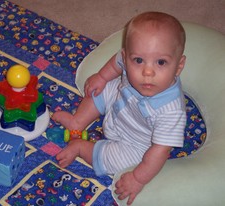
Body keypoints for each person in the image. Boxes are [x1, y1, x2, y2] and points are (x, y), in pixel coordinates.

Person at [52, 11, 186, 205]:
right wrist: (102, 76)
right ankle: (77, 121)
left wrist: (138, 178)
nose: (147, 72)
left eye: (161, 62)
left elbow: (159, 151)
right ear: (127, 55)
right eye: (138, 60)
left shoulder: (171, 111)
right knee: (102, 90)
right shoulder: (126, 58)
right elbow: (117, 62)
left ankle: (82, 147)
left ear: (179, 66)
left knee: (118, 162)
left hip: (137, 143)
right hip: (120, 99)